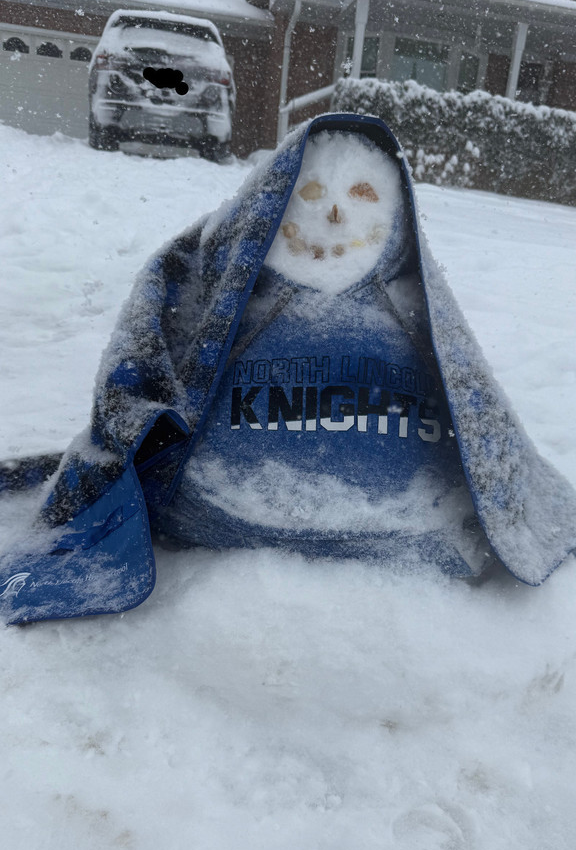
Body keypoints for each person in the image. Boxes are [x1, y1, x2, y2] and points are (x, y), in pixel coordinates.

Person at [1, 113, 575, 624]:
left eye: (360, 194)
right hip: (346, 525)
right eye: (316, 192)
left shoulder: (407, 303)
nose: (334, 212)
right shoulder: (226, 269)